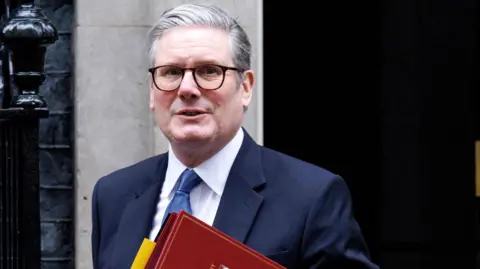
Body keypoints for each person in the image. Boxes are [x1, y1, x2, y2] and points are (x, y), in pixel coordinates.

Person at [91, 3, 379, 269]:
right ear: (152, 92)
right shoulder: (114, 195)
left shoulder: (312, 196)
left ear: (246, 88)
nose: (187, 88)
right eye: (171, 72)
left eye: (208, 71)